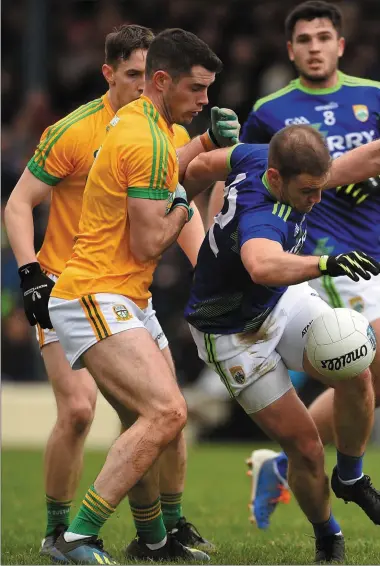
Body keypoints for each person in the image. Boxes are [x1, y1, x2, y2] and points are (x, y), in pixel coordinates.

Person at [5, 25, 240, 563]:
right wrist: (28, 274)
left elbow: (173, 168)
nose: (206, 101)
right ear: (132, 76)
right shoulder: (114, 132)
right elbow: (152, 228)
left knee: (159, 418)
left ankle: (157, 538)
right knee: (119, 412)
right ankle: (70, 534)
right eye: (198, 90)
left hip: (124, 292)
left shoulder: (148, 125)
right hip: (85, 288)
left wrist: (207, 146)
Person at [208, 0, 380, 528]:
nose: (314, 47)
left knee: (372, 372)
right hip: (319, 256)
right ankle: (323, 468)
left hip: (373, 251)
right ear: (290, 49)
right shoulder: (270, 110)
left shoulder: (371, 97)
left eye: (323, 37)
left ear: (340, 45)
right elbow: (240, 174)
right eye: (303, 40)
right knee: (364, 358)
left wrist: (328, 171)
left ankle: (282, 464)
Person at [182, 124, 380, 562]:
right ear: (275, 179)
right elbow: (261, 264)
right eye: (308, 191)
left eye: (321, 187)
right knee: (306, 449)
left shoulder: (256, 154)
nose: (317, 200)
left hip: (280, 301)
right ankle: (328, 536)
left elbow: (203, 164)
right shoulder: (262, 214)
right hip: (232, 334)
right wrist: (326, 263)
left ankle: (349, 477)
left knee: (357, 368)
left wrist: (179, 196)